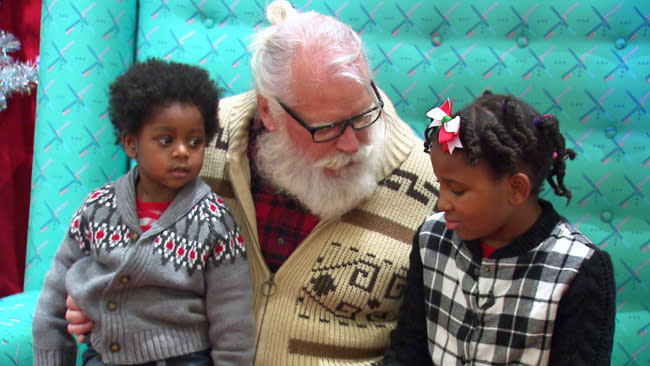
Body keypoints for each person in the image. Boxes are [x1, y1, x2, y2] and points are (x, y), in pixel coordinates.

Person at [65, 1, 439, 365]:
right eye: (327, 128)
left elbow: (435, 342)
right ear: (268, 111)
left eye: (362, 115)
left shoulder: (434, 187)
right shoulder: (198, 146)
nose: (351, 143)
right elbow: (122, 237)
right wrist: (96, 294)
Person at [32, 58, 256, 366]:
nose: (182, 151)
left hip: (183, 359)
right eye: (165, 140)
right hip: (103, 357)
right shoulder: (98, 208)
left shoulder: (214, 222)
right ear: (130, 143)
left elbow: (233, 321)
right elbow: (54, 296)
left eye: (195, 141)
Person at [381, 91, 616, 365]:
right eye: (440, 184)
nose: (442, 202)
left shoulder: (579, 271)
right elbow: (408, 349)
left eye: (457, 190)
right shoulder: (432, 239)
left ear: (516, 188)